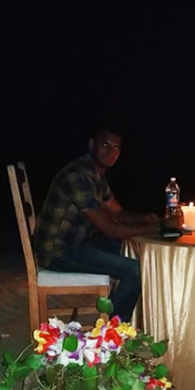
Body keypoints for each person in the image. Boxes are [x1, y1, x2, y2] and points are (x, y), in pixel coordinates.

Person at [33, 126, 169, 321]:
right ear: (91, 145)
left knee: (127, 250)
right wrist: (161, 227)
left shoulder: (95, 175)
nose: (110, 152)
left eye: (116, 148)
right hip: (58, 252)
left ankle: (121, 316)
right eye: (105, 145)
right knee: (136, 271)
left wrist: (147, 218)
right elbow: (111, 229)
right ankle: (113, 328)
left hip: (78, 243)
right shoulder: (78, 176)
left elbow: (119, 213)